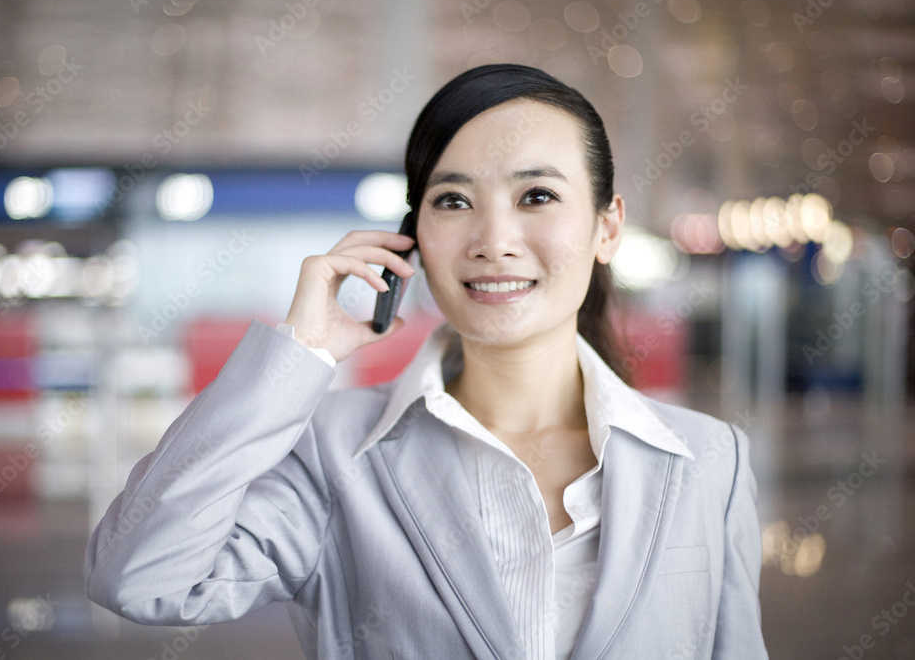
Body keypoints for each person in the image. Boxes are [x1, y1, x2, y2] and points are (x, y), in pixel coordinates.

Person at [85, 63, 768, 659]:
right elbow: (141, 578)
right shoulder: (333, 454)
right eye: (453, 200)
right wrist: (298, 355)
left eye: (537, 196)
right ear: (411, 240)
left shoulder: (711, 461)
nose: (495, 240)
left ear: (607, 226)